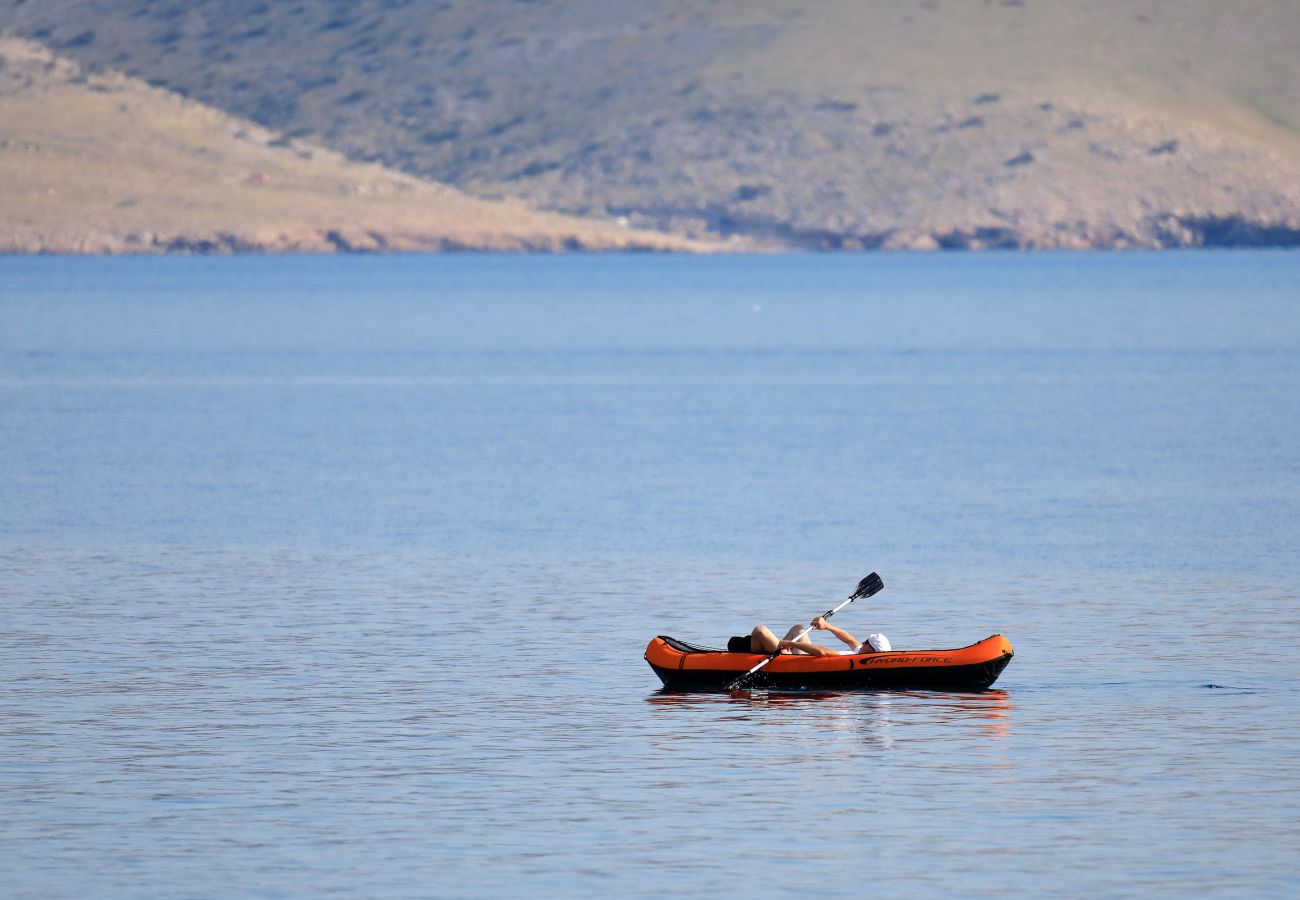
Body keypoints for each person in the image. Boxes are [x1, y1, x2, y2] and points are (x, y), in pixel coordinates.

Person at [727, 616, 891, 656]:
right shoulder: (859, 651)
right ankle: (764, 645)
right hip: (798, 656)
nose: (862, 642)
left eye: (867, 642)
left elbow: (822, 652)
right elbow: (849, 639)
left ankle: (763, 646)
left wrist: (791, 643)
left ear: (872, 651)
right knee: (799, 628)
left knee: (760, 630)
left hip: (794, 659)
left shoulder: (853, 658)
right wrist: (826, 626)